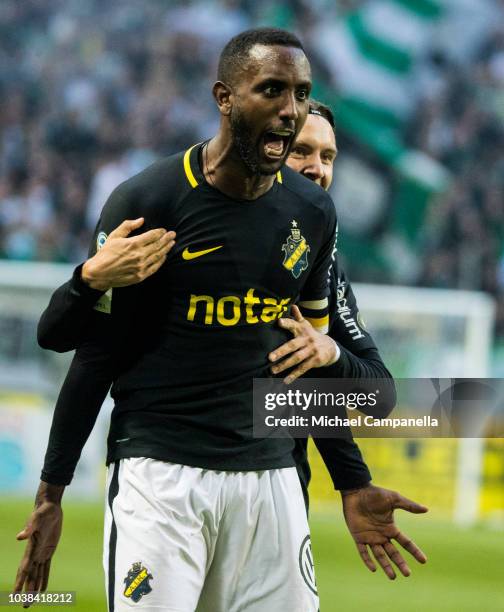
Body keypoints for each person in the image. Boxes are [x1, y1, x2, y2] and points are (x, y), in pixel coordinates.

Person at [15, 40, 424, 610]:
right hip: (162, 476)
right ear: (224, 98)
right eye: (272, 90)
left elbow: (302, 373)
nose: (290, 108)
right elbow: (89, 354)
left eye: (301, 94)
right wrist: (50, 493)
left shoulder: (312, 214)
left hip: (273, 481)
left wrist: (352, 482)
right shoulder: (150, 200)